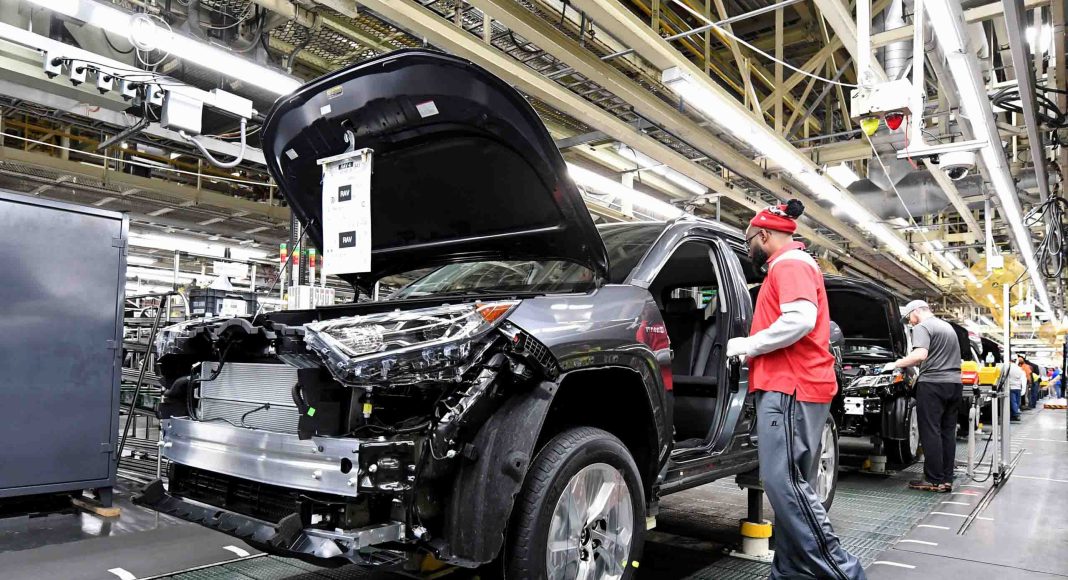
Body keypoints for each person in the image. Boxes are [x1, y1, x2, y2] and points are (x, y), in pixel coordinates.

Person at [726, 200, 866, 580]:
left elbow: (800, 320)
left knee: (783, 483)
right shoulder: (794, 264)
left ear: (764, 235)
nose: (750, 250)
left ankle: (844, 573)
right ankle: (790, 573)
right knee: (794, 489)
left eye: (749, 242)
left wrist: (747, 345)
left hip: (790, 386)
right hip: (796, 386)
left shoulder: (789, 263)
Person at [884, 301, 962, 493]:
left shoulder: (922, 327)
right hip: (954, 384)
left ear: (917, 311)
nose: (910, 322)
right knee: (947, 432)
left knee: (930, 431)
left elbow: (920, 355)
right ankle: (946, 479)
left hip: (933, 384)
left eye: (909, 318)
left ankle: (933, 480)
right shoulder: (947, 327)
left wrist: (896, 364)